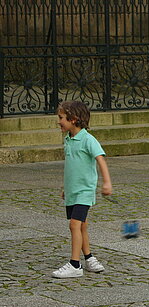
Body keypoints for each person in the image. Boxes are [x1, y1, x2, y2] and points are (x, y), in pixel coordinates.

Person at [52, 101, 112, 278]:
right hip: (73, 192)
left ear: (74, 119)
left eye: (61, 118)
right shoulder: (68, 139)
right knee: (82, 226)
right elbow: (72, 167)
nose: (59, 121)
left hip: (84, 192)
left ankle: (74, 264)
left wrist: (106, 182)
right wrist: (66, 187)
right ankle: (89, 258)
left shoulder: (88, 139)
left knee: (74, 225)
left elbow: (100, 159)